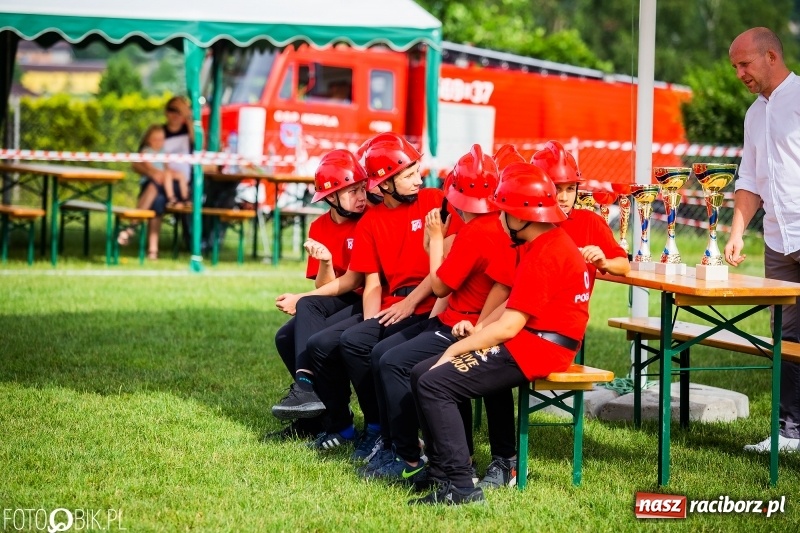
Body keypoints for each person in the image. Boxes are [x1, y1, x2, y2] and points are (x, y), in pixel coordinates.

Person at [409, 162, 591, 506]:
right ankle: (442, 472)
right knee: (422, 373)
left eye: (504, 212)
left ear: (523, 216)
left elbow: (509, 326)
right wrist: (476, 333)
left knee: (435, 382)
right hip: (532, 340)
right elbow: (510, 305)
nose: (499, 218)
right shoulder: (542, 243)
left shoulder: (546, 252)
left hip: (539, 348)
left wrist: (454, 351)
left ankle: (461, 487)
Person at [298, 132, 462, 457]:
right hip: (394, 306)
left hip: (430, 303)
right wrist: (371, 321)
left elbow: (447, 268)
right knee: (351, 340)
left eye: (417, 171)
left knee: (371, 349)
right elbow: (372, 283)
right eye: (409, 174)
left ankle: (393, 436)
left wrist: (410, 301)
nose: (419, 179)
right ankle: (373, 427)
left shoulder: (435, 200)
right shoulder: (371, 221)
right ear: (385, 183)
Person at [359, 145, 516, 484]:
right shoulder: (493, 225)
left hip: (465, 324)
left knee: (394, 363)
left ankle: (411, 455)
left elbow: (441, 284)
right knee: (384, 355)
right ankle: (410, 449)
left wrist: (434, 237)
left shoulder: (477, 231)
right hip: (465, 321)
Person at [725, 27, 800, 453]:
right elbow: (749, 180)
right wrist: (737, 234)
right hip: (777, 242)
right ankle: (790, 432)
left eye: (745, 64)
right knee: (786, 339)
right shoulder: (755, 114)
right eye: (735, 66)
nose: (740, 73)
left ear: (771, 56)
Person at [269, 149, 370, 438]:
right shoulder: (318, 226)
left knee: (311, 319)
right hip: (338, 296)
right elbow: (322, 286)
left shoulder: (368, 219)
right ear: (331, 196)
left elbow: (355, 281)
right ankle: (316, 414)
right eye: (353, 191)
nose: (362, 196)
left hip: (368, 297)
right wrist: (326, 261)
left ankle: (311, 394)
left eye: (363, 188)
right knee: (284, 337)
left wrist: (300, 299)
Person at [130, 96, 194, 259]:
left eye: (180, 111)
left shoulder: (189, 133)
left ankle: (132, 227)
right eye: (173, 109)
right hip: (158, 183)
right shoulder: (157, 133)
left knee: (156, 192)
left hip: (181, 187)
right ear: (166, 112)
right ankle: (152, 249)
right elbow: (136, 163)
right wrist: (153, 173)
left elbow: (199, 142)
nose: (176, 114)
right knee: (157, 198)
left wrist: (189, 117)